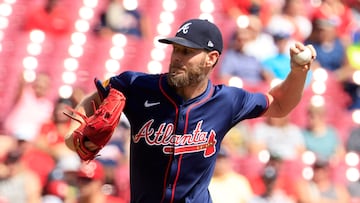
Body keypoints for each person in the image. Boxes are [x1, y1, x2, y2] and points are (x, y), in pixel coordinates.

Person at [65, 18, 316, 203]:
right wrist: (74, 131)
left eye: (187, 52)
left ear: (211, 58)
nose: (177, 57)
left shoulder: (226, 101)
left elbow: (280, 104)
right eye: (176, 49)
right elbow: (94, 97)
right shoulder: (137, 86)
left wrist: (297, 73)